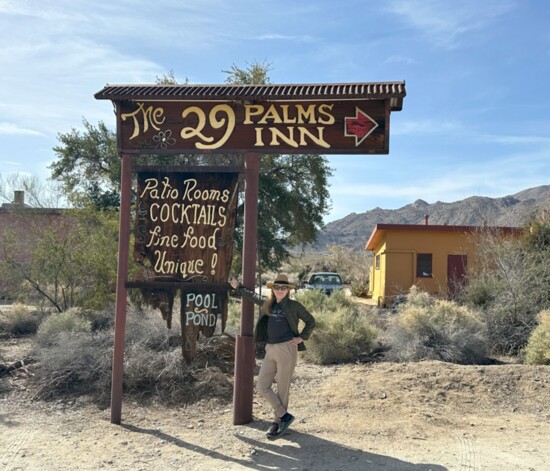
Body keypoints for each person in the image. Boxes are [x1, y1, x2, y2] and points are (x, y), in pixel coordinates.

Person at [230, 273, 316, 439]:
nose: (280, 290)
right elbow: (252, 295)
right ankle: (284, 415)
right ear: (273, 289)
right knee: (262, 386)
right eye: (277, 287)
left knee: (283, 388)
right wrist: (239, 287)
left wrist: (301, 337)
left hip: (287, 349)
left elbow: (311, 321)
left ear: (288, 290)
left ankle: (277, 423)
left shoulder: (294, 306)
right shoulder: (267, 303)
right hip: (270, 349)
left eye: (283, 288)